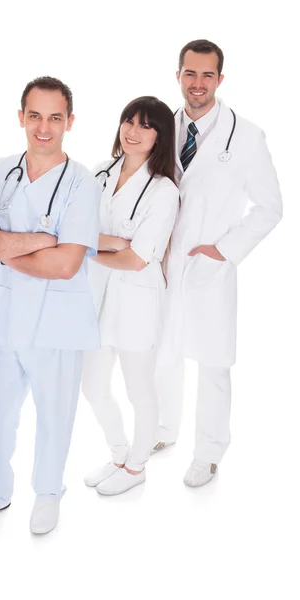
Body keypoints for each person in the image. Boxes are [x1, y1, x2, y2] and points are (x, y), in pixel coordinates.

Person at [153, 40, 283, 486]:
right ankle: (162, 430)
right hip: (163, 262)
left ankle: (208, 451)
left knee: (212, 361)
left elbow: (270, 208)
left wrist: (223, 250)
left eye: (208, 75)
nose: (198, 83)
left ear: (220, 80)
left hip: (210, 267)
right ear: (178, 76)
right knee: (161, 349)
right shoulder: (159, 128)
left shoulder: (246, 136)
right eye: (190, 73)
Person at [0, 76, 101, 534]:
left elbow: (67, 264)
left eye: (54, 117)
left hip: (58, 321)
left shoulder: (83, 183)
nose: (43, 128)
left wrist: (7, 247)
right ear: (20, 118)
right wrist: (38, 242)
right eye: (35, 116)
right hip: (4, 315)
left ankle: (48, 494)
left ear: (70, 122)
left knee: (55, 414)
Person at [81, 96, 179, 495]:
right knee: (92, 386)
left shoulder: (164, 191)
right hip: (97, 296)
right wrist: (111, 244)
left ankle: (137, 467)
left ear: (159, 137)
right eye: (128, 121)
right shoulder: (99, 172)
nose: (133, 132)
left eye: (145, 125)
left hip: (137, 301)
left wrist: (91, 248)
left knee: (140, 390)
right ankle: (119, 454)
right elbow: (74, 234)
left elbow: (138, 259)